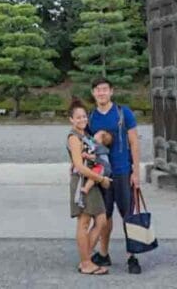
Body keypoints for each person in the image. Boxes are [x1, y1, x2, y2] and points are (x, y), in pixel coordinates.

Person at [87, 77, 142, 275]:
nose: (101, 93)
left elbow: (134, 142)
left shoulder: (123, 113)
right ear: (93, 93)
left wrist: (136, 171)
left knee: (127, 213)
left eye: (104, 89)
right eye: (97, 90)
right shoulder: (91, 117)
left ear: (111, 91)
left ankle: (132, 256)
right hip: (101, 174)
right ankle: (103, 252)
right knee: (104, 215)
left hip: (122, 170)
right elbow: (85, 144)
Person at [67, 99, 111, 275]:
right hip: (82, 183)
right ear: (71, 119)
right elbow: (79, 166)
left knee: (101, 220)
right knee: (84, 222)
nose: (82, 120)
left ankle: (85, 258)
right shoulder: (74, 138)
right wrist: (100, 179)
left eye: (84, 116)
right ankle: (86, 263)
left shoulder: (85, 136)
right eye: (77, 117)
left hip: (90, 181)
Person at [76, 130, 113, 206]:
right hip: (100, 166)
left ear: (100, 140)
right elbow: (89, 141)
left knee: (93, 175)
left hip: (103, 168)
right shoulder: (97, 144)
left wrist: (87, 156)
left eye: (97, 134)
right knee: (93, 173)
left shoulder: (100, 147)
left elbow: (95, 156)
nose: (94, 135)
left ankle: (86, 188)